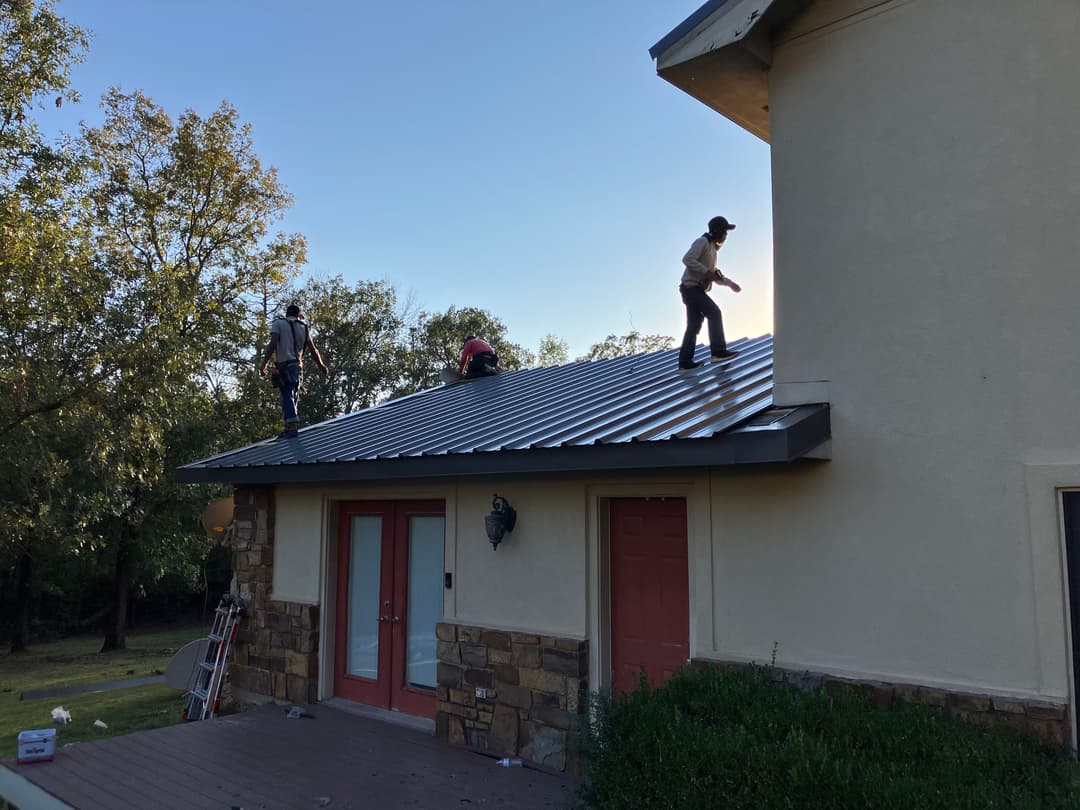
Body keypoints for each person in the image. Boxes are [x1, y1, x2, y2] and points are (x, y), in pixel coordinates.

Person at [677, 215, 742, 371]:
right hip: (691, 288)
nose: (726, 236)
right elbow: (687, 259)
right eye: (725, 232)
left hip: (694, 289)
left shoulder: (713, 249)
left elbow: (714, 275)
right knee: (714, 312)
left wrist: (729, 283)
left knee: (694, 324)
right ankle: (718, 352)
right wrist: (706, 272)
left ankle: (685, 362)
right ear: (718, 231)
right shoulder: (703, 242)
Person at [258, 304, 328, 438]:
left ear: (286, 314)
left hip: (284, 365)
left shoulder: (279, 324)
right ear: (298, 315)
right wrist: (321, 365)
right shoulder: (303, 327)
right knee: (294, 394)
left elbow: (272, 344)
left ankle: (291, 427)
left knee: (287, 394)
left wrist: (263, 364)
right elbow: (313, 349)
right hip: (297, 366)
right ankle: (290, 425)